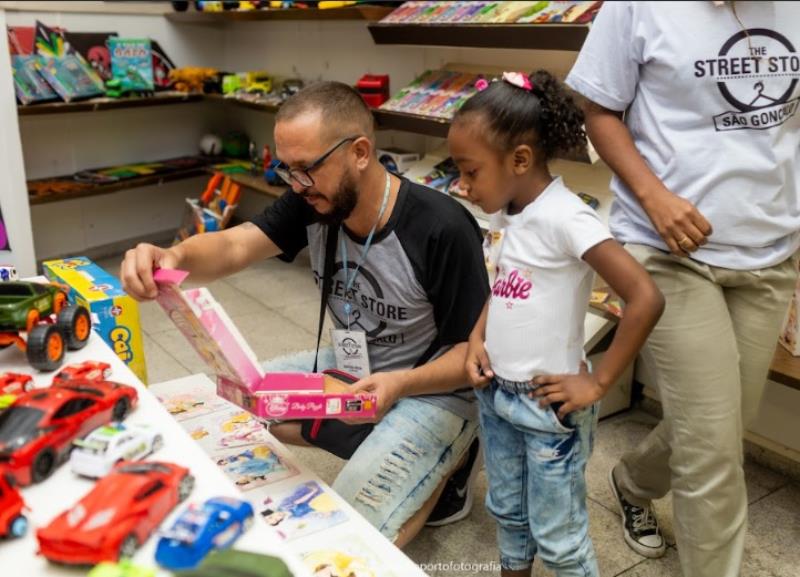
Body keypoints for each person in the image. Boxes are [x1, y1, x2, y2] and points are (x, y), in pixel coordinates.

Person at [121, 81, 489, 547]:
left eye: (306, 169)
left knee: (353, 528)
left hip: (433, 389)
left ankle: (451, 465)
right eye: (286, 169)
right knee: (230, 401)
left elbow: (471, 359)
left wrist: (400, 385)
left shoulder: (442, 227)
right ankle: (386, 443)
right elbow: (235, 245)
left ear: (359, 152)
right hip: (354, 373)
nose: (295, 185)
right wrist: (171, 257)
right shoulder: (313, 200)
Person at [566, 2, 800, 575]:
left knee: (719, 424)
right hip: (669, 250)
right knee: (714, 456)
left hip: (771, 250)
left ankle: (632, 479)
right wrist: (655, 197)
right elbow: (599, 111)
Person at [449, 70, 664, 577]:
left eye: (470, 171)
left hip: (548, 409)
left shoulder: (568, 217)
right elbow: (504, 283)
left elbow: (644, 297)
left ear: (520, 160)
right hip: (496, 394)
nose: (461, 184)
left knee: (559, 539)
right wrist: (478, 337)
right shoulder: (511, 212)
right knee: (509, 515)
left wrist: (600, 381)